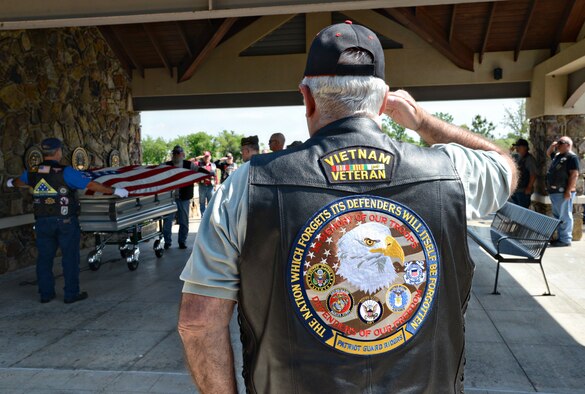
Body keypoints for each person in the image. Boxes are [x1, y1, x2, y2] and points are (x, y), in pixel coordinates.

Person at [178, 21, 516, 393]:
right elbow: (504, 163)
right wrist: (422, 122)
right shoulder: (452, 172)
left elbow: (198, 321)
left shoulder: (245, 185)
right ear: (385, 101)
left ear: (307, 98)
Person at [6, 138, 129, 304]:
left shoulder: (33, 171)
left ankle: (45, 294)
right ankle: (71, 294)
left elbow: (19, 182)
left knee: (44, 259)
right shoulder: (65, 172)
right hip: (65, 221)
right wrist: (115, 190)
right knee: (70, 258)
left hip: (42, 221)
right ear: (58, 152)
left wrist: (10, 182)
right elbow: (90, 185)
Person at [546, 137, 580, 247]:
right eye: (558, 142)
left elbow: (574, 175)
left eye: (561, 143)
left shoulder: (572, 157)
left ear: (568, 145)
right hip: (555, 192)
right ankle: (561, 238)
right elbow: (549, 153)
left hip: (563, 191)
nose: (558, 144)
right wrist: (553, 146)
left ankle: (565, 240)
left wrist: (568, 191)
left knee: (564, 216)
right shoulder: (558, 156)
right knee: (558, 216)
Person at [163, 145, 198, 250]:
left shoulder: (189, 165)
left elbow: (200, 172)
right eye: (174, 153)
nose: (176, 155)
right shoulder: (166, 165)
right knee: (167, 221)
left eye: (178, 153)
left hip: (184, 198)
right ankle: (167, 242)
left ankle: (182, 242)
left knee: (184, 221)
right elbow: (155, 171)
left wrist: (208, 174)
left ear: (183, 154)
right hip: (170, 199)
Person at [510, 138, 537, 208]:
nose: (517, 148)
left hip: (523, 191)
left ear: (525, 147)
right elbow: (507, 158)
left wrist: (529, 187)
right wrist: (510, 151)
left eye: (519, 146)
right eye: (516, 146)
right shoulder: (517, 157)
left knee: (523, 211)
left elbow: (533, 174)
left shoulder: (529, 159)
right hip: (516, 190)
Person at [195, 151, 218, 216]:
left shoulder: (213, 165)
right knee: (202, 202)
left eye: (208, 156)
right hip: (202, 185)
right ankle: (203, 216)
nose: (206, 158)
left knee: (211, 202)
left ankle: (210, 217)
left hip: (210, 186)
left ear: (210, 157)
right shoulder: (199, 164)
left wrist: (215, 185)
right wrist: (198, 157)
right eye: (205, 156)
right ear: (203, 157)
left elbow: (215, 176)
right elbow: (190, 162)